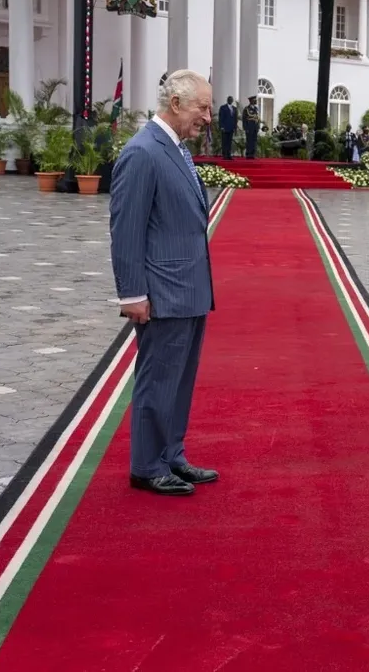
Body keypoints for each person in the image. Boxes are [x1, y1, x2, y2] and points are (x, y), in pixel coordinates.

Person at [109, 69, 219, 496]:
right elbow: (126, 229)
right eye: (202, 107)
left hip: (189, 289)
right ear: (175, 104)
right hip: (162, 293)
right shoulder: (143, 152)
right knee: (157, 380)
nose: (207, 117)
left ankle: (171, 454)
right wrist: (132, 294)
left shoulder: (174, 148)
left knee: (179, 381)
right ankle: (147, 466)